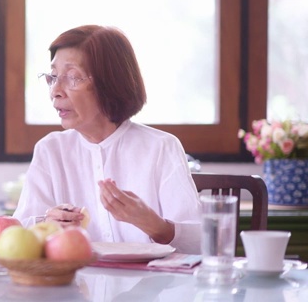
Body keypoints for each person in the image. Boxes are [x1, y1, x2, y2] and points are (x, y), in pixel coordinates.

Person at [12, 25, 201, 254]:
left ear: (110, 83)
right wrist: (46, 226)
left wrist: (155, 225)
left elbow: (201, 242)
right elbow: (18, 235)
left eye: (72, 77)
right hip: (74, 287)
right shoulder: (50, 150)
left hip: (152, 287)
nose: (55, 91)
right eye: (52, 77)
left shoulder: (161, 148)